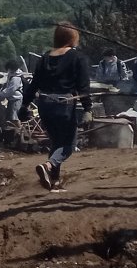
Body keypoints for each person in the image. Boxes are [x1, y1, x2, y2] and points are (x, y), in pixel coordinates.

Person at [20, 23, 92, 191]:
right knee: (68, 144)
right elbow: (83, 87)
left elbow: (34, 84)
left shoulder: (45, 57)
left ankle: (55, 181)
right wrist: (88, 109)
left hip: (44, 105)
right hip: (63, 105)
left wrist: (24, 105)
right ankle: (49, 165)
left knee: (56, 142)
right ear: (73, 37)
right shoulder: (77, 58)